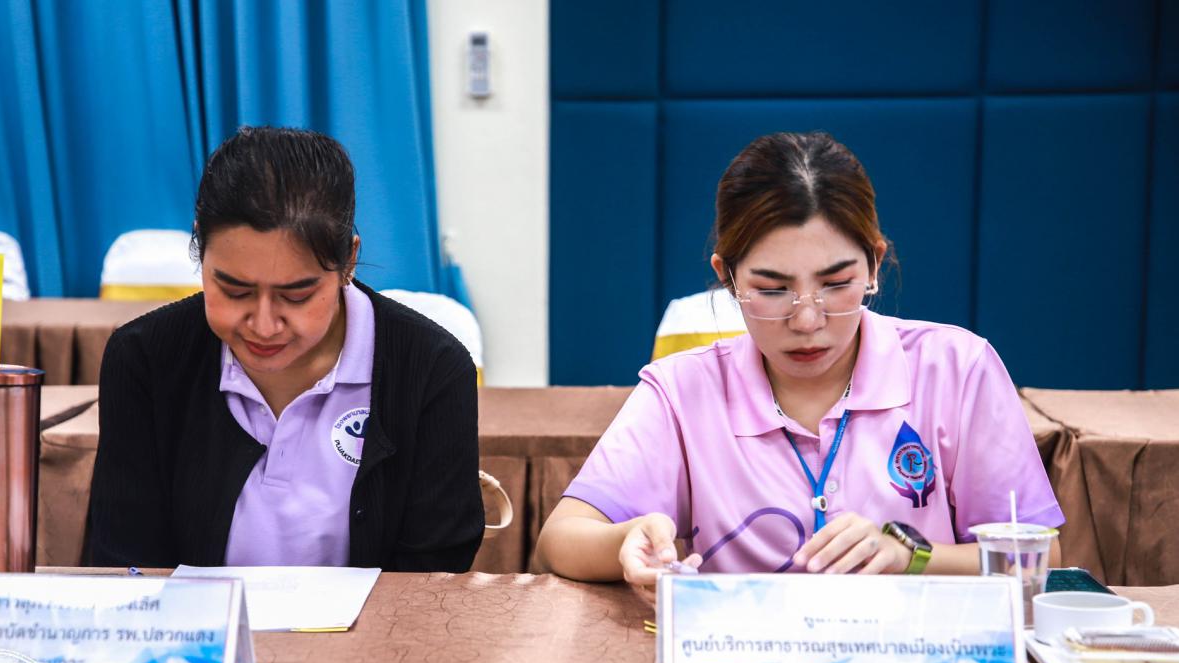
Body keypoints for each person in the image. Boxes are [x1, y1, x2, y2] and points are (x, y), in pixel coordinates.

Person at [535, 131, 1063, 588]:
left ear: (874, 264)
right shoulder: (682, 390)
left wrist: (911, 556)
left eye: (836, 284)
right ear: (727, 278)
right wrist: (626, 540)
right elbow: (560, 539)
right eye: (772, 290)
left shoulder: (956, 369)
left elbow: (1039, 556)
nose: (807, 321)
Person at [86, 126, 483, 570]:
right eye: (234, 290)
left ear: (348, 262)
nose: (264, 325)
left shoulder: (432, 369)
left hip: (379, 620)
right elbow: (128, 562)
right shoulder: (145, 358)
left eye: (296, 295)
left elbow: (433, 577)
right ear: (200, 247)